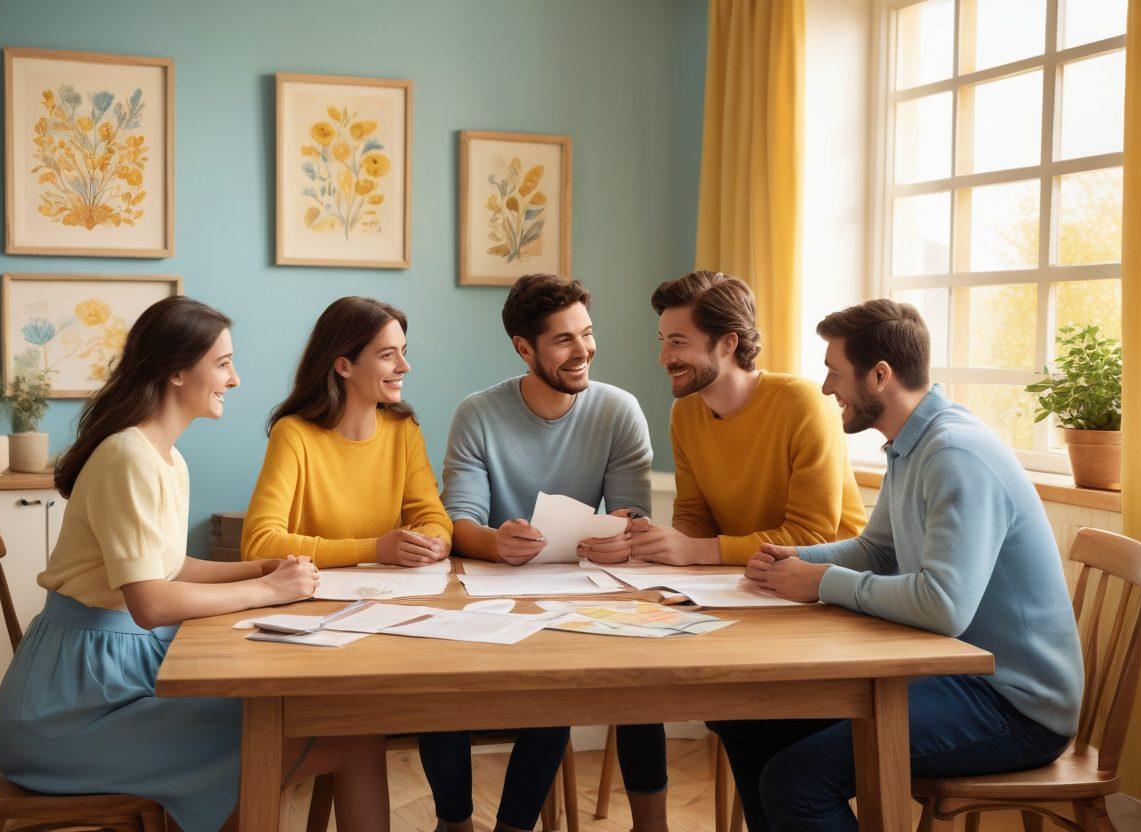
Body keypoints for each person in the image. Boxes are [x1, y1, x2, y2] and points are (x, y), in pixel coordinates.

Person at [0, 296, 389, 832]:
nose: (236, 378)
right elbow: (151, 602)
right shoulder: (129, 457)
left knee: (309, 726)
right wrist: (269, 593)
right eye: (222, 364)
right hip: (73, 712)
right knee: (344, 737)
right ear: (176, 371)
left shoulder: (164, 456)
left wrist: (258, 570)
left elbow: (169, 566)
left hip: (106, 679)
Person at [711, 298, 1083, 832]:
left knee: (796, 781)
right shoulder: (912, 443)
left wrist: (822, 581)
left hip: (1014, 707)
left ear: (880, 375)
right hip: (952, 675)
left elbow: (944, 605)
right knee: (746, 722)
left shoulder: (954, 454)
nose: (825, 389)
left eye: (834, 373)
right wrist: (797, 560)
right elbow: (878, 550)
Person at [580, 269, 866, 828]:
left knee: (750, 719)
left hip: (826, 604)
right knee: (730, 713)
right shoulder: (686, 413)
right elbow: (693, 520)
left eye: (678, 341)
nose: (664, 355)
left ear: (728, 342)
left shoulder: (801, 402)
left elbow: (812, 538)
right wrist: (651, 544)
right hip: (751, 598)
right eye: (661, 340)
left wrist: (695, 552)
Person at [425, 273, 654, 832]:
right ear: (524, 348)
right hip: (481, 594)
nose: (584, 352)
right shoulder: (477, 414)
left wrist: (618, 534)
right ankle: (453, 823)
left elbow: (633, 518)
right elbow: (459, 525)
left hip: (574, 594)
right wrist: (495, 542)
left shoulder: (618, 411)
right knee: (430, 683)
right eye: (564, 340)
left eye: (587, 334)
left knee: (560, 681)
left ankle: (515, 826)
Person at [242, 296, 452, 567]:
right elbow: (258, 545)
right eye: (388, 355)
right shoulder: (294, 434)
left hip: (390, 595)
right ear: (344, 366)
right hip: (313, 597)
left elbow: (434, 519)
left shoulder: (404, 430)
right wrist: (375, 550)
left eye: (403, 352)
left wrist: (433, 542)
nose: (404, 366)